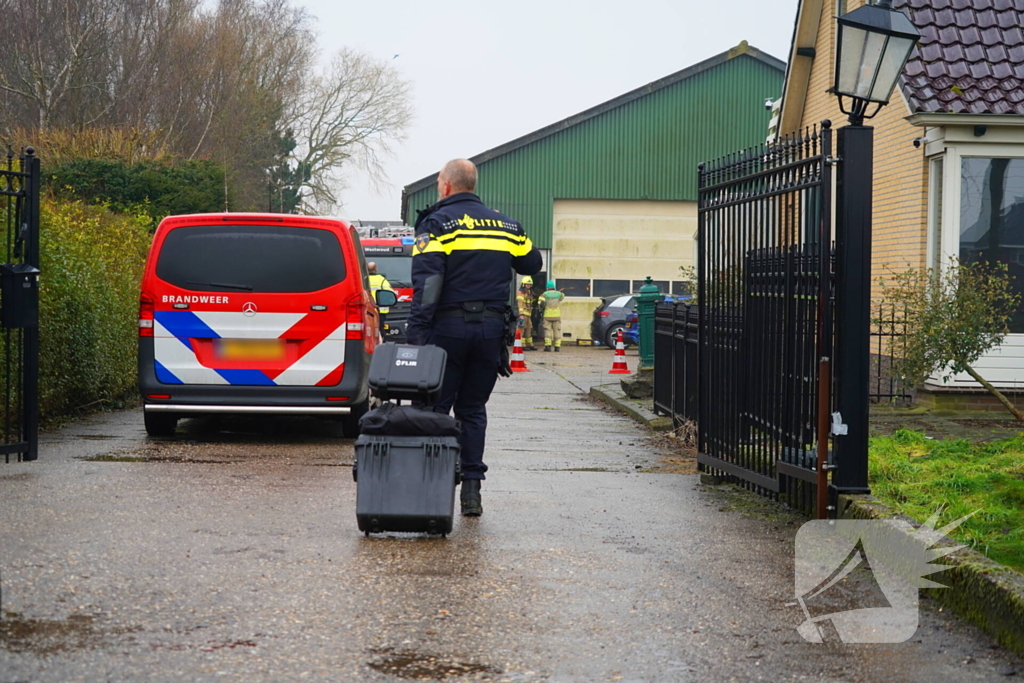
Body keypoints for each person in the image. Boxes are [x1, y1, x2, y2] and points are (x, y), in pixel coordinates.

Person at [406, 158, 542, 516]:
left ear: (447, 185)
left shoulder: (436, 223)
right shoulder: (506, 226)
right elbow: (532, 264)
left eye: (438, 182)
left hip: (447, 330)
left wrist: (416, 337)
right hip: (490, 332)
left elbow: (429, 284)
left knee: (436, 408)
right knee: (472, 409)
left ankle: (432, 488)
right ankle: (471, 493)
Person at [367, 261, 394, 327]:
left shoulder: (363, 279)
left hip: (367, 309)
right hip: (380, 309)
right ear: (376, 269)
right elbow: (390, 293)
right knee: (380, 328)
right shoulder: (381, 279)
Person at [540, 280, 564, 352]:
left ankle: (548, 346)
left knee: (548, 330)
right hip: (557, 315)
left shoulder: (544, 294)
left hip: (547, 315)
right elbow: (562, 297)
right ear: (554, 287)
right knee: (557, 331)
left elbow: (540, 304)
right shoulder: (559, 294)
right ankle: (557, 347)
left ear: (547, 287)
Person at [516, 276, 538, 351]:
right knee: (521, 329)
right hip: (523, 314)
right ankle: (521, 345)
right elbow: (520, 303)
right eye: (526, 284)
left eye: (529, 284)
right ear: (523, 284)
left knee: (529, 329)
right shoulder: (521, 293)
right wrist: (521, 314)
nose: (528, 285)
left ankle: (529, 344)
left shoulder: (529, 292)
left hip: (528, 314)